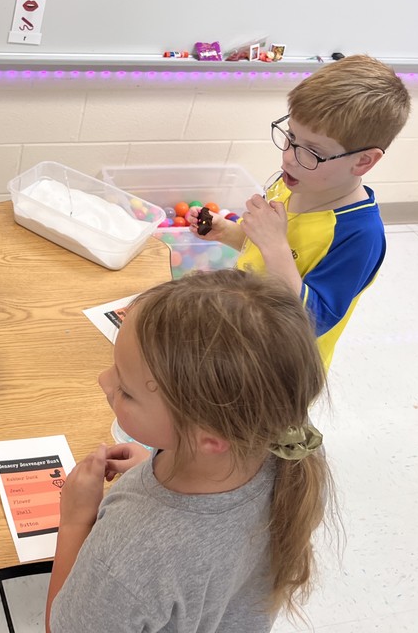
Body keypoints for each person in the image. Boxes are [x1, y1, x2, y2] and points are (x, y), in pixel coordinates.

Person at [46, 270, 331, 633]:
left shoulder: (127, 554)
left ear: (208, 439)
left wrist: (75, 521)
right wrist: (158, 463)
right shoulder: (290, 454)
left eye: (127, 390)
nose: (104, 380)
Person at [188, 55, 410, 369]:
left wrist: (275, 245)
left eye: (313, 151)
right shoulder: (293, 183)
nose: (290, 158)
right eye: (290, 137)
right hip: (243, 334)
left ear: (363, 161)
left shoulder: (360, 235)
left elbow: (310, 320)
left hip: (279, 365)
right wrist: (228, 231)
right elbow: (266, 253)